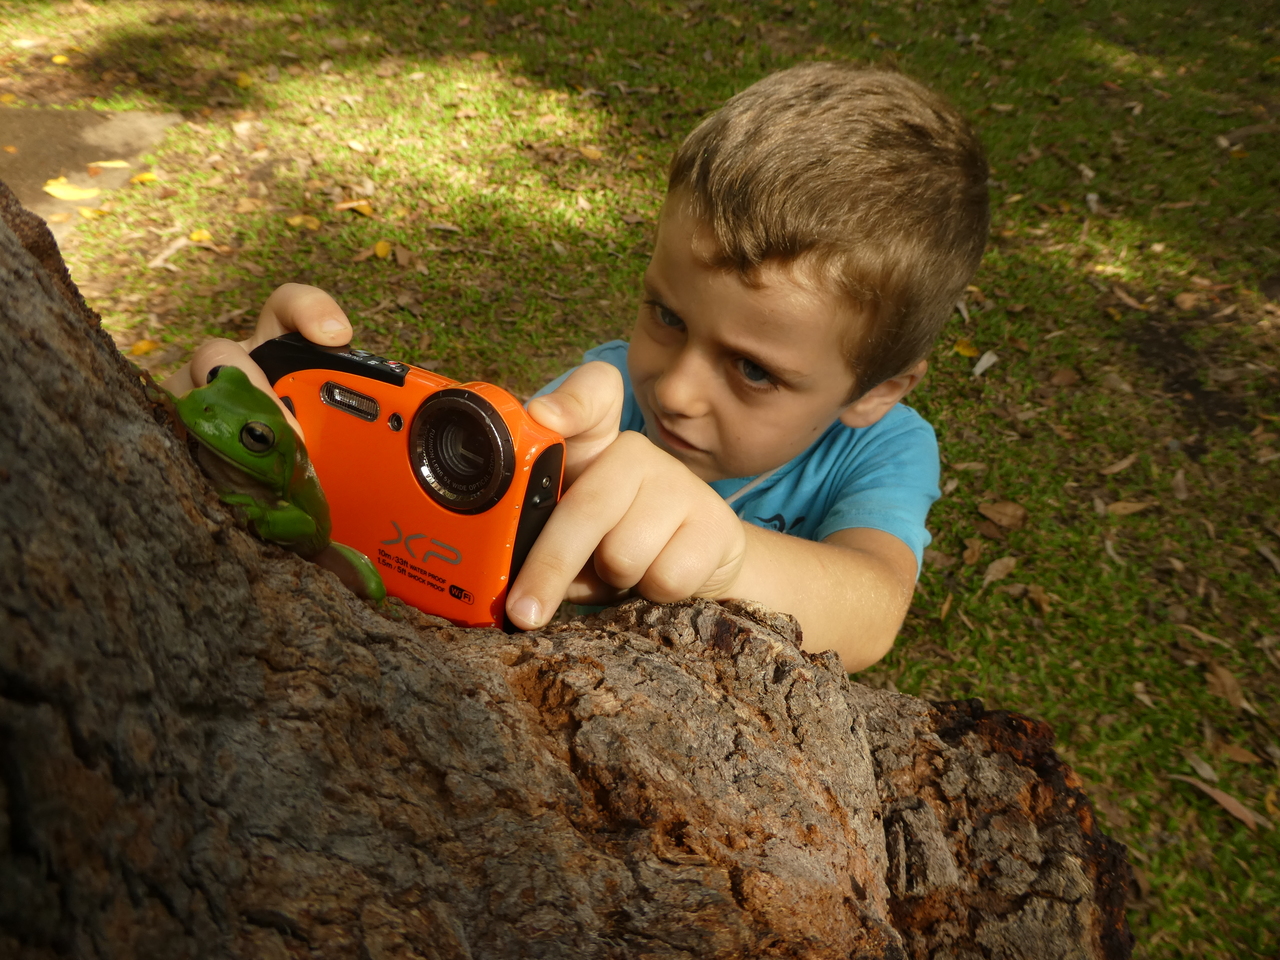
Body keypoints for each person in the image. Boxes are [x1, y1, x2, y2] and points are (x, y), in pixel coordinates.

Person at [164, 62, 989, 672]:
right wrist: (292, 452)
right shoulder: (607, 392)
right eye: (667, 316)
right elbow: (450, 548)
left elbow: (874, 607)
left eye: (754, 371)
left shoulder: (882, 449)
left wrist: (729, 559)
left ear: (876, 389)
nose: (674, 388)